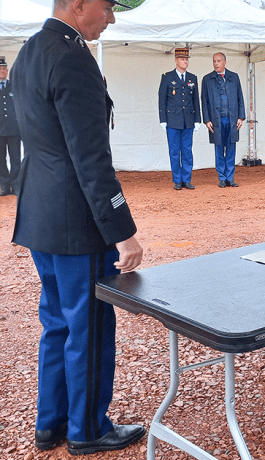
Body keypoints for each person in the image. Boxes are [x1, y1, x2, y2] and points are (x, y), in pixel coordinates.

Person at [10, 0, 145, 455]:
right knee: (87, 325)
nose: (111, 17)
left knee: (57, 323)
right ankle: (88, 430)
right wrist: (121, 229)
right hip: (76, 221)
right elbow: (91, 159)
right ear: (79, 3)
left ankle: (50, 424)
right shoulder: (72, 58)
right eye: (107, 7)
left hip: (40, 215)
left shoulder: (30, 50)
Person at [201, 52, 246, 188]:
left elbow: (240, 98)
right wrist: (207, 119)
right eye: (214, 61)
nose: (216, 63)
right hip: (216, 121)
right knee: (219, 148)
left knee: (231, 148)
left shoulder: (234, 77)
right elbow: (204, 101)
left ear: (225, 62)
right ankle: (222, 177)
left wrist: (240, 116)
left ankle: (230, 177)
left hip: (231, 120)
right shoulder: (207, 79)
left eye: (219, 61)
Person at [158, 47, 201, 190]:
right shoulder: (167, 77)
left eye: (186, 59)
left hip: (188, 120)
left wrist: (197, 119)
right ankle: (177, 179)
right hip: (173, 120)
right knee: (175, 151)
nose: (185, 62)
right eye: (182, 59)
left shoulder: (192, 78)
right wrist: (163, 119)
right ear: (176, 60)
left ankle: (186, 179)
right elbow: (162, 99)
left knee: (187, 151)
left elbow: (196, 101)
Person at [0, 56, 20, 196]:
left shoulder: (15, 86)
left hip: (14, 129)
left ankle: (15, 185)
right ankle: (5, 185)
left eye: (4, 69)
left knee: (15, 159)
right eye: (0, 69)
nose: (3, 71)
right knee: (0, 159)